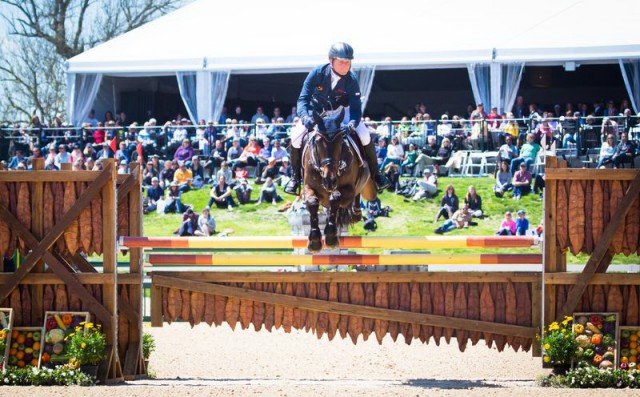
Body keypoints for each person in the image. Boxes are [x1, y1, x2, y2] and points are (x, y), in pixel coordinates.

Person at [284, 42, 390, 194]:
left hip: (342, 112)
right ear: (331, 60)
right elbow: (303, 99)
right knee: (295, 137)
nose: (345, 65)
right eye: (341, 62)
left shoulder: (351, 80)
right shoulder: (317, 73)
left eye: (348, 62)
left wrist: (353, 123)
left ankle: (377, 175)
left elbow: (355, 107)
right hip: (317, 113)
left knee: (365, 136)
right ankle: (295, 178)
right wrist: (305, 116)